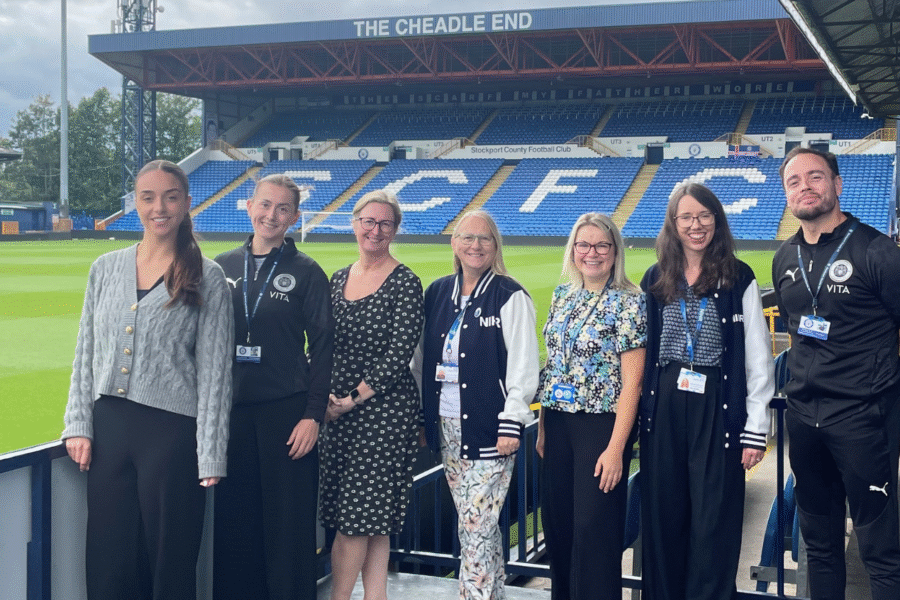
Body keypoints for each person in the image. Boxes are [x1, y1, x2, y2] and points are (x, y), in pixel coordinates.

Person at [62, 159, 233, 600]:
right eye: (148, 197)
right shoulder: (105, 267)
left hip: (171, 433)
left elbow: (216, 372)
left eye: (170, 197)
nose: (160, 208)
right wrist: (78, 424)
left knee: (169, 560)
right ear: (135, 203)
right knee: (108, 556)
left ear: (187, 203)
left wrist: (210, 453)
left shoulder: (208, 276)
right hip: (109, 430)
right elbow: (86, 351)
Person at [772, 147, 900, 600]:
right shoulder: (784, 257)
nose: (804, 187)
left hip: (864, 420)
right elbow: (797, 333)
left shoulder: (877, 250)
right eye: (794, 181)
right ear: (786, 194)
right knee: (820, 546)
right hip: (805, 420)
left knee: (881, 550)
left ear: (837, 184)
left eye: (815, 177)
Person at [640, 182, 773, 600]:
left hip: (717, 402)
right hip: (664, 402)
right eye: (686, 217)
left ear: (716, 219)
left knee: (713, 519)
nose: (695, 225)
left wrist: (755, 428)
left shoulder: (739, 276)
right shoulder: (656, 276)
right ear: (673, 223)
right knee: (664, 516)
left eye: (704, 216)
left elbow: (757, 356)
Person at [213, 174, 334, 600]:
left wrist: (312, 416)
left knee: (288, 524)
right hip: (232, 414)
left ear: (295, 217)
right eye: (265, 205)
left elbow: (323, 350)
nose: (272, 215)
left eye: (283, 209)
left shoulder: (307, 272)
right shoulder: (221, 267)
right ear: (249, 207)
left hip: (287, 414)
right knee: (235, 522)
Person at [413, 209, 539, 600]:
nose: (475, 245)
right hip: (447, 427)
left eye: (484, 238)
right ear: (454, 243)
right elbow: (419, 364)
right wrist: (421, 417)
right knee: (479, 528)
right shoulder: (436, 293)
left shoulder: (509, 294)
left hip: (490, 429)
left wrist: (512, 420)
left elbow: (524, 364)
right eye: (467, 237)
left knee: (475, 524)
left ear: (495, 245)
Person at [534, 213, 646, 600]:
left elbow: (633, 381)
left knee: (593, 531)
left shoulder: (631, 301)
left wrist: (617, 448)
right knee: (561, 528)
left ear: (615, 251)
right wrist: (545, 427)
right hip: (559, 425)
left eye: (601, 245)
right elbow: (553, 365)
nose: (592, 253)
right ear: (573, 250)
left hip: (602, 428)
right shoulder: (563, 295)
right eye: (584, 245)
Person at [318, 190, 423, 600]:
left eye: (385, 224)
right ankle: (375, 595)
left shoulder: (405, 282)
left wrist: (351, 399)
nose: (375, 230)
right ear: (354, 223)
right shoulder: (339, 277)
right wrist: (325, 395)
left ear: (395, 229)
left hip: (383, 415)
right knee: (371, 519)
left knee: (354, 521)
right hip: (338, 411)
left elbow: (399, 355)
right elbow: (324, 343)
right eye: (369, 221)